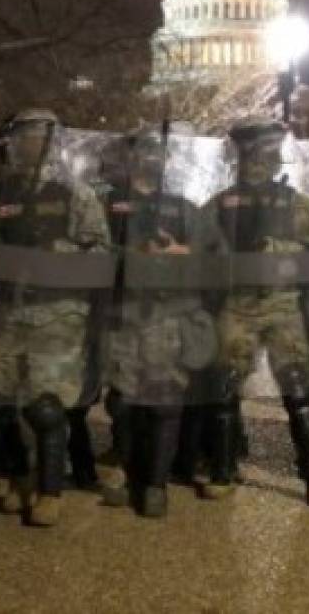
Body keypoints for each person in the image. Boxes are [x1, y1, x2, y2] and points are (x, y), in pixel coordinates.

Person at [0, 109, 112, 527]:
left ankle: (50, 490)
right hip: (11, 310)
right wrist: (4, 263)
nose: (29, 144)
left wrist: (57, 260)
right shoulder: (0, 195)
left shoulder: (77, 194)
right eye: (22, 137)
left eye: (36, 136)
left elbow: (101, 253)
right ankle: (18, 475)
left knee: (46, 405)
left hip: (59, 314)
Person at [200, 117, 309, 508]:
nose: (257, 160)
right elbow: (200, 248)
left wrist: (276, 250)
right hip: (237, 304)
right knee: (225, 386)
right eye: (249, 152)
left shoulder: (296, 204)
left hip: (282, 302)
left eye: (265, 152)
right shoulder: (222, 203)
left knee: (297, 387)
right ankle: (224, 470)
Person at [99, 125, 220, 517]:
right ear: (130, 157)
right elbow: (90, 251)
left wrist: (181, 250)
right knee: (123, 402)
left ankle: (155, 484)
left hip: (170, 317)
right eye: (143, 151)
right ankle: (129, 469)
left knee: (166, 403)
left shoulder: (184, 208)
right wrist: (131, 251)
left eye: (158, 152)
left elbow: (215, 252)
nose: (151, 158)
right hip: (123, 317)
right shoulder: (109, 204)